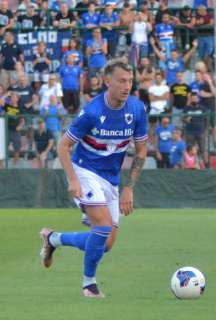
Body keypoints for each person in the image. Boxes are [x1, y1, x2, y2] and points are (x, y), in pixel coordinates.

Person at [39, 59, 148, 298]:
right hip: (85, 172)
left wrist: (129, 188)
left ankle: (53, 239)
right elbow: (63, 146)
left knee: (106, 243)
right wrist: (73, 180)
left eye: (130, 81)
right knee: (103, 227)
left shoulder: (137, 109)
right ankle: (89, 285)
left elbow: (141, 151)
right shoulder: (92, 111)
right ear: (107, 81)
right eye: (121, 80)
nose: (126, 85)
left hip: (111, 180)